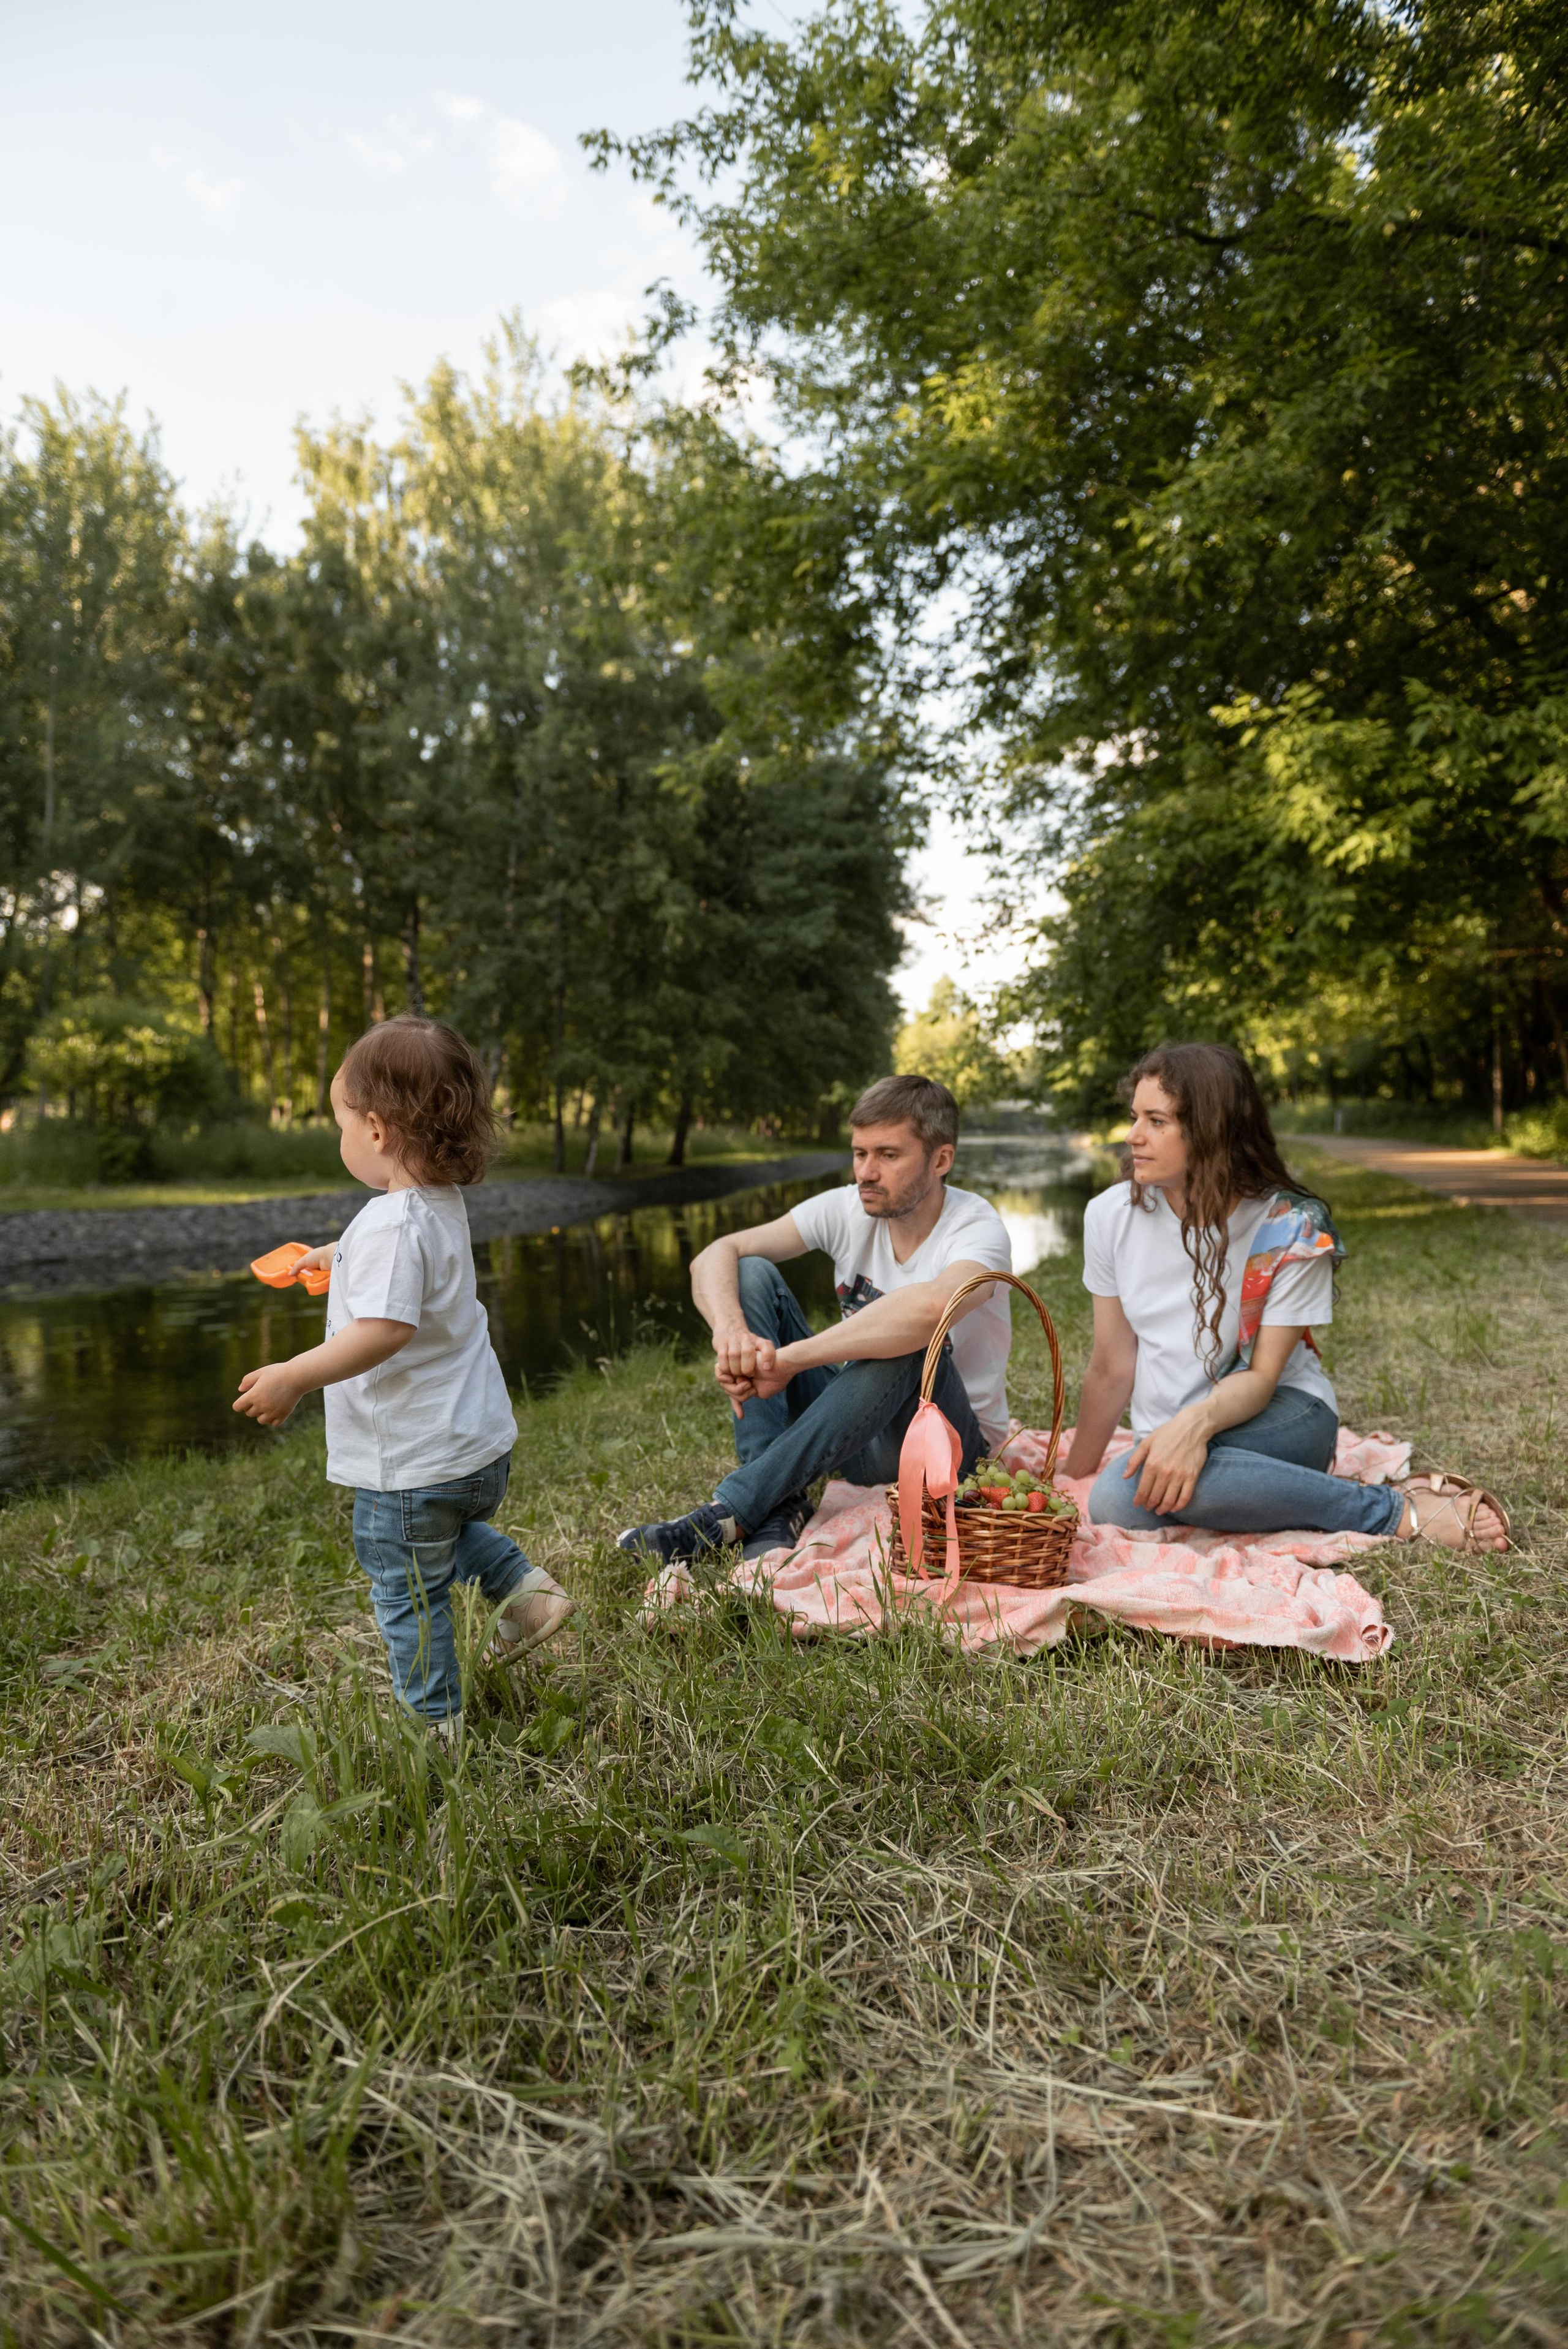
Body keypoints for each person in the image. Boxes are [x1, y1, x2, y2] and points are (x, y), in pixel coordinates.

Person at [232, 1015, 574, 1730]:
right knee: (434, 1535)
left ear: (379, 1131)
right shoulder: (434, 1205)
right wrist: (336, 1254)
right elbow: (402, 1262)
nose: (342, 1139)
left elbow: (387, 1328)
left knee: (404, 1583)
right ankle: (528, 1595)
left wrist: (296, 1373)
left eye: (342, 1125)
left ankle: (434, 1729)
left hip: (411, 1459)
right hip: (471, 1451)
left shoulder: (390, 1224)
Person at [1063, 1042, 1510, 1550]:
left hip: (1279, 1415)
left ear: (1212, 1130)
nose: (1132, 1136)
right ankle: (1308, 1494)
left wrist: (1194, 1424)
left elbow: (1261, 1377)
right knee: (1113, 1496)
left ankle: (1394, 1512)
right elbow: (1111, 1365)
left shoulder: (1292, 1227)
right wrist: (1069, 1478)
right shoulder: (1109, 1215)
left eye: (1157, 1121)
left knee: (1124, 1494)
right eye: (1134, 1117)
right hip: (1168, 1437)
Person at [617, 1073, 1013, 1565]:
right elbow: (715, 1254)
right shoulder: (850, 1207)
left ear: (941, 1160)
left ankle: (737, 1506)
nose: (866, 1172)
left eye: (888, 1155)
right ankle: (779, 1500)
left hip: (948, 1450)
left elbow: (935, 1308)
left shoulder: (978, 1229)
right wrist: (733, 1335)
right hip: (857, 1428)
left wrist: (789, 1361)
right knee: (749, 1273)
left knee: (912, 1337)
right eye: (859, 1153)